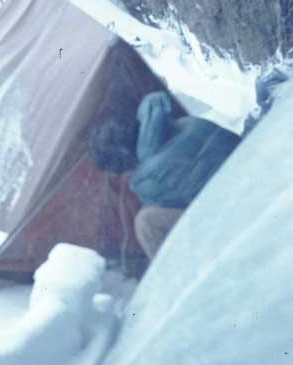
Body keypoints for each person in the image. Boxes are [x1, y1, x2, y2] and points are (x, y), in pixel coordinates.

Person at [89, 90, 241, 261]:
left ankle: (178, 281)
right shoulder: (183, 123)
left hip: (236, 206)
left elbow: (189, 204)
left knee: (146, 222)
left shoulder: (148, 177)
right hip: (250, 170)